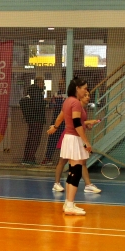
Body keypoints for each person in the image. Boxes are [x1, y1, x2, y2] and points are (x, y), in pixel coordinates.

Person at [53, 76, 95, 215]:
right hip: (74, 138)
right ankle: (70, 205)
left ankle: (68, 203)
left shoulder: (67, 101)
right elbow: (76, 123)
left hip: (69, 138)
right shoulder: (76, 103)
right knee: (76, 172)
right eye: (84, 88)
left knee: (73, 171)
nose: (86, 91)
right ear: (77, 88)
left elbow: (65, 118)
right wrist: (86, 142)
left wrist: (54, 127)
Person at [47, 90, 101, 194]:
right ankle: (56, 184)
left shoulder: (84, 109)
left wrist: (88, 125)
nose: (88, 97)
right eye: (85, 95)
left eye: (88, 95)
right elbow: (74, 123)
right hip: (70, 136)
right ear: (79, 96)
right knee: (63, 161)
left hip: (79, 137)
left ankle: (88, 185)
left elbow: (81, 124)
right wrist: (88, 122)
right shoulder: (75, 106)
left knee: (82, 162)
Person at [19, 77, 47, 165]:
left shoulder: (30, 91)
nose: (43, 85)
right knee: (35, 140)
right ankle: (30, 159)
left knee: (30, 139)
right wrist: (45, 102)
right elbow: (38, 106)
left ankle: (26, 158)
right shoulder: (37, 92)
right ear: (38, 83)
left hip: (30, 119)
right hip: (37, 119)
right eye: (42, 83)